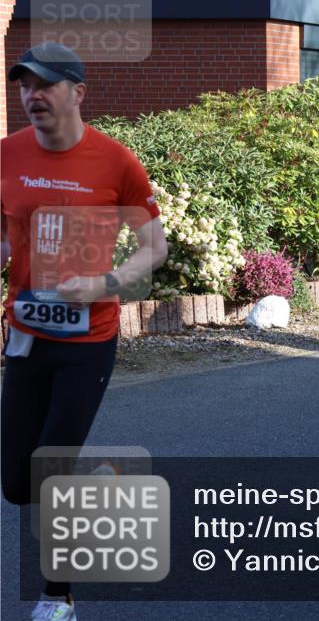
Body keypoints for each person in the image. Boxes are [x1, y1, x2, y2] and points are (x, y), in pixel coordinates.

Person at [1, 42, 168, 621]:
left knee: (51, 467)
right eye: (24, 85)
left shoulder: (116, 162)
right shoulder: (6, 154)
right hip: (25, 333)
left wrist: (106, 281)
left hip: (88, 340)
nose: (32, 96)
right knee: (17, 484)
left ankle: (58, 596)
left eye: (45, 85)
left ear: (78, 92)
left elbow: (154, 247)